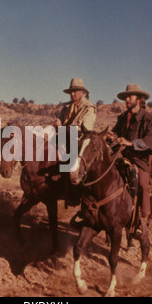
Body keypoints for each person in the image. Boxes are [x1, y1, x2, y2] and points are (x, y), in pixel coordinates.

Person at [108, 84, 152, 237]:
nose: (127, 100)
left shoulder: (150, 119)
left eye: (130, 97)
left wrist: (129, 143)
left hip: (140, 159)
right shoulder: (123, 117)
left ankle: (140, 220)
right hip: (122, 156)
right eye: (126, 98)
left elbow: (150, 143)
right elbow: (116, 133)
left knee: (141, 183)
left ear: (140, 99)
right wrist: (112, 137)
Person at [55, 78, 97, 207]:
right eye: (71, 92)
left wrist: (63, 128)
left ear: (83, 92)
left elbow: (84, 128)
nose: (73, 94)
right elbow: (60, 119)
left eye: (76, 91)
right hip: (65, 137)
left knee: (73, 161)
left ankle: (74, 193)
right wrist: (57, 123)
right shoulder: (66, 107)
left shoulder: (89, 107)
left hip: (80, 140)